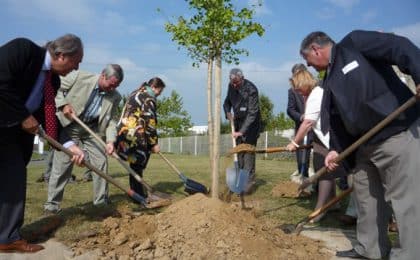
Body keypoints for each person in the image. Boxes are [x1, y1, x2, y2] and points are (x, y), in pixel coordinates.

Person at [300, 30, 420, 259]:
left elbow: (399, 46)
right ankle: (370, 250)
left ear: (316, 49)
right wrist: (335, 148)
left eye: (308, 60)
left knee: (406, 201)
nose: (309, 65)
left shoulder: (354, 44)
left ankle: (411, 254)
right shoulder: (330, 78)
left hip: (396, 134)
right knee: (366, 199)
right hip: (363, 147)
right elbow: (335, 118)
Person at [0, 34, 84, 253]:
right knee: (12, 180)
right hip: (4, 126)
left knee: (11, 182)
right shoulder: (23, 50)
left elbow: (46, 116)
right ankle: (7, 238)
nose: (75, 69)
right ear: (61, 55)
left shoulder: (52, 81)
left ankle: (6, 235)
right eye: (76, 63)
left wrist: (68, 145)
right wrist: (23, 116)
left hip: (17, 136)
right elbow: (1, 82)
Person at [44, 64, 123, 214]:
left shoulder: (115, 96)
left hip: (93, 129)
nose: (112, 88)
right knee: (62, 165)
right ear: (102, 75)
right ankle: (52, 205)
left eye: (116, 86)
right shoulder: (79, 77)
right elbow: (55, 89)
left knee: (101, 162)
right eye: (111, 84)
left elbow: (112, 120)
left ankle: (101, 202)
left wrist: (110, 141)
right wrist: (63, 104)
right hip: (70, 126)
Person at [286, 68, 346, 223]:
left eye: (299, 88)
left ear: (304, 83)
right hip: (325, 139)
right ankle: (333, 203)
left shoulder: (316, 94)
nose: (298, 92)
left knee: (325, 172)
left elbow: (307, 123)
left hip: (332, 140)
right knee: (324, 169)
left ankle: (320, 209)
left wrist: (294, 142)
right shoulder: (317, 91)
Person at [115, 77, 166, 201]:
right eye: (160, 91)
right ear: (154, 87)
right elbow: (150, 122)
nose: (159, 94)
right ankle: (138, 194)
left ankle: (136, 192)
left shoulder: (136, 92)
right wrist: (154, 143)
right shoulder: (148, 98)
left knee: (135, 163)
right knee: (138, 162)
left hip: (123, 133)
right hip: (135, 135)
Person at [223, 68, 261, 194]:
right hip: (238, 123)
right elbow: (227, 102)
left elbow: (252, 113)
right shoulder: (231, 86)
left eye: (237, 83)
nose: (234, 85)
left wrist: (242, 131)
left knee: (248, 153)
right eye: (232, 82)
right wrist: (227, 112)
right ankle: (237, 182)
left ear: (242, 78)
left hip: (251, 125)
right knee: (239, 153)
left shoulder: (252, 90)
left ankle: (248, 184)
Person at [287, 63, 313, 179]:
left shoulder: (315, 87)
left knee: (318, 155)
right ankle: (303, 177)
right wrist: (300, 117)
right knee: (301, 154)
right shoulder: (292, 91)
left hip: (315, 127)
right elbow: (290, 109)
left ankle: (318, 184)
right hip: (301, 126)